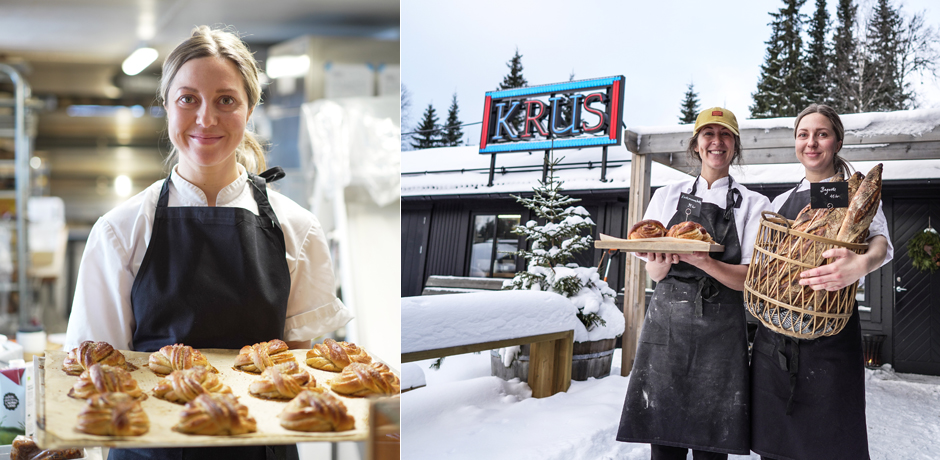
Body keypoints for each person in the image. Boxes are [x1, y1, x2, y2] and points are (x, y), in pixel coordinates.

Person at [64, 25, 353, 460]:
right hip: (148, 449)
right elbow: (95, 371)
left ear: (250, 107)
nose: (206, 118)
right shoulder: (120, 230)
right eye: (188, 99)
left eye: (226, 100)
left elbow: (296, 374)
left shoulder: (299, 228)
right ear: (166, 105)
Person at [616, 107, 771, 459]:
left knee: (711, 444)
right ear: (696, 145)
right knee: (664, 440)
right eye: (708, 134)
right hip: (667, 324)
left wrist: (705, 261)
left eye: (726, 135)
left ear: (735, 146)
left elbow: (748, 279)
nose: (717, 142)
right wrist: (658, 265)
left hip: (721, 330)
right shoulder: (667, 195)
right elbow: (653, 271)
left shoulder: (751, 204)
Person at [749, 104, 892, 460]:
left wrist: (860, 265)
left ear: (837, 141)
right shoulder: (780, 201)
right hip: (776, 338)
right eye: (803, 135)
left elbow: (880, 242)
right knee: (775, 448)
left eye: (821, 134)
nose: (811, 143)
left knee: (830, 446)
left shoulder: (852, 194)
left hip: (830, 339)